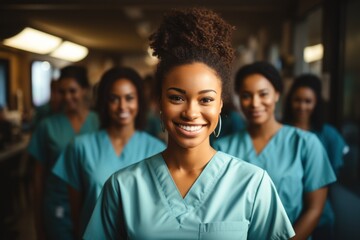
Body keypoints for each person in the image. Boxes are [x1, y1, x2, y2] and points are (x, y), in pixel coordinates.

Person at [83, 8, 295, 240]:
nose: (191, 112)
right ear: (159, 102)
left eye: (206, 100)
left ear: (220, 105)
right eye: (177, 97)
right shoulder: (122, 187)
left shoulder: (253, 184)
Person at [213, 61, 337, 240]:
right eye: (246, 95)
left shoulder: (306, 144)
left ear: (277, 95)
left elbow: (314, 209)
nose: (255, 103)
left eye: (263, 94)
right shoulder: (222, 148)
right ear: (239, 98)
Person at [52, 67, 166, 238]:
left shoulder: (157, 149)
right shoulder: (80, 147)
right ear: (104, 102)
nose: (122, 106)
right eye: (114, 99)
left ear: (139, 102)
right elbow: (74, 210)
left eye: (129, 98)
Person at [27, 65, 99, 240]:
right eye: (62, 91)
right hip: (58, 208)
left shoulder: (99, 123)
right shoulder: (48, 126)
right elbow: (38, 179)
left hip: (92, 206)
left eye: (72, 91)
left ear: (84, 90)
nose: (67, 97)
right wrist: (38, 224)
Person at [282, 73, 349, 240]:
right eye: (297, 100)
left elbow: (330, 175)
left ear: (316, 103)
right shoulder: (278, 133)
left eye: (308, 101)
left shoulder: (329, 135)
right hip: (285, 214)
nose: (302, 106)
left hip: (319, 217)